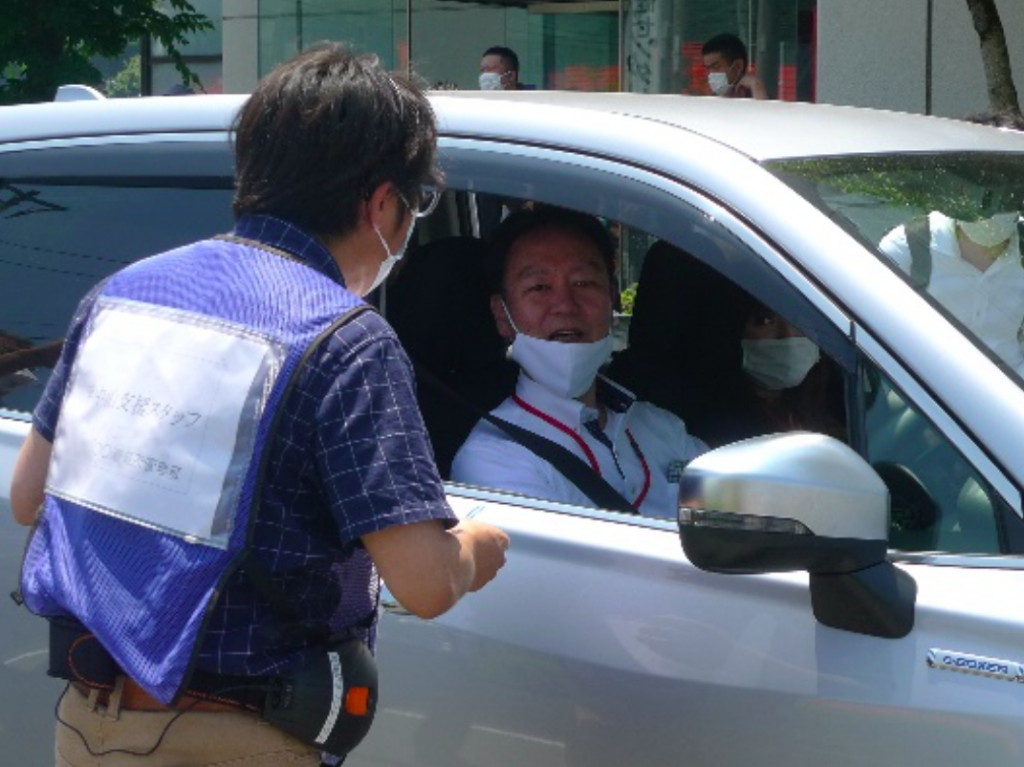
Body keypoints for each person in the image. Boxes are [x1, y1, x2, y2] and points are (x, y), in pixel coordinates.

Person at [10, 43, 509, 767]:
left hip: (89, 724)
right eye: (412, 206)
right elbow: (425, 583)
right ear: (380, 203)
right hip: (235, 739)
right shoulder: (345, 339)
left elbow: (29, 496)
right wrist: (478, 547)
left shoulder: (121, 295)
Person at [450, 207, 707, 519]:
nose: (565, 305)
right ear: (501, 314)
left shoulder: (663, 427)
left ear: (611, 298)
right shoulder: (493, 457)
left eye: (584, 283)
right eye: (539, 287)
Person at [701, 33, 767, 100]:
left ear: (738, 66)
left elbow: (763, 109)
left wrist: (756, 86)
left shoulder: (755, 95)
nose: (710, 74)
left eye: (715, 67)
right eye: (708, 69)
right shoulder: (711, 101)